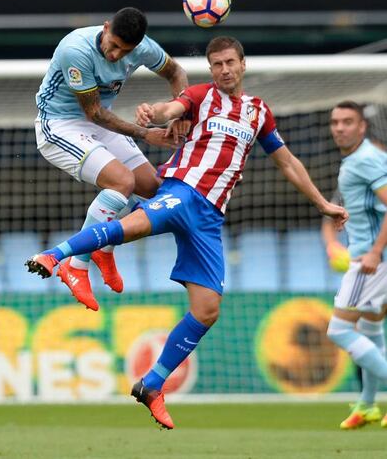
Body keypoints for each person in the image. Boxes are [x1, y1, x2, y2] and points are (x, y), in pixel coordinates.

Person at [26, 36, 348, 429]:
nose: (224, 70)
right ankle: (56, 256)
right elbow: (171, 107)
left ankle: (152, 385)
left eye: (230, 63)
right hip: (183, 190)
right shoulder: (199, 96)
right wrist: (155, 112)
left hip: (211, 217)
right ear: (211, 69)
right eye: (216, 64)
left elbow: (287, 162)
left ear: (243, 65)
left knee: (207, 309)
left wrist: (322, 203)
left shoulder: (259, 112)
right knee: (133, 225)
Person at [35, 7, 188, 310]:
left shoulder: (142, 47)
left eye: (125, 50)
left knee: (155, 188)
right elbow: (94, 113)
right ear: (105, 28)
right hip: (60, 125)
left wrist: (180, 111)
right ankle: (77, 266)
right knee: (122, 182)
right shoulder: (75, 50)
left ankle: (103, 248)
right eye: (113, 44)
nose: (116, 54)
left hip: (97, 125)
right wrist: (146, 134)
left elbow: (176, 73)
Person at [324, 101, 387, 430]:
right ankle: (367, 405)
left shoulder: (366, 160)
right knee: (371, 328)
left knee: (339, 330)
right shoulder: (358, 161)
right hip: (371, 257)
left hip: (370, 262)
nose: (339, 128)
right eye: (335, 122)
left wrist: (376, 251)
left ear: (362, 126)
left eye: (348, 122)